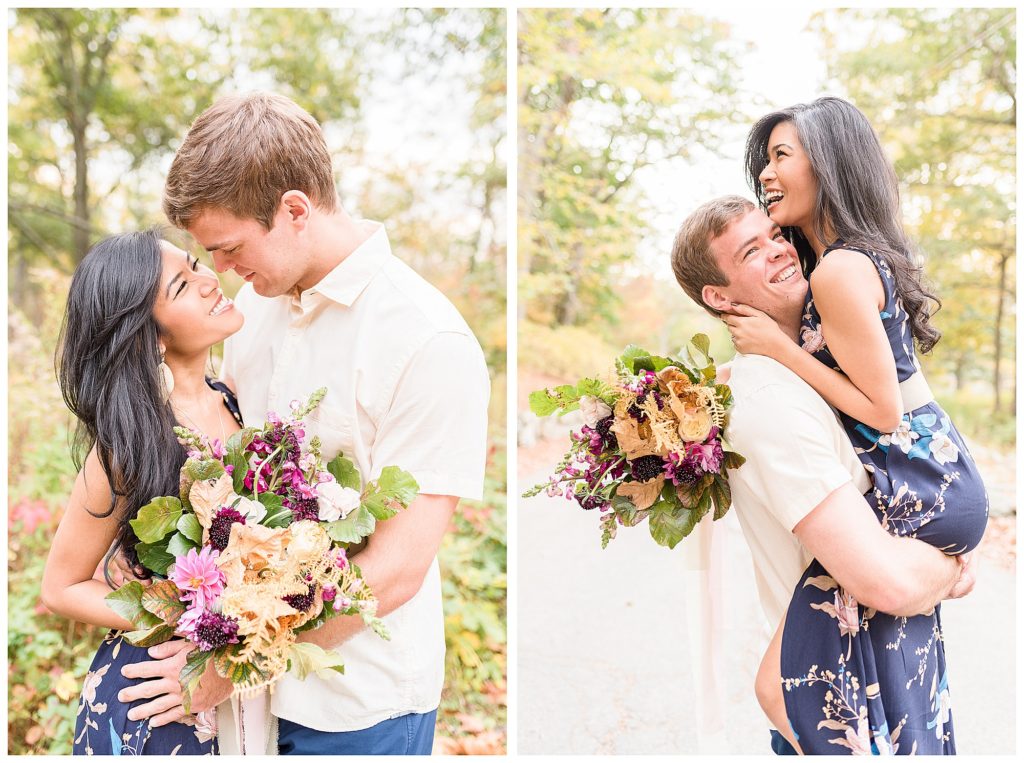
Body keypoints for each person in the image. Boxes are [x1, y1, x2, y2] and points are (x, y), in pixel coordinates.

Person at [118, 91, 491, 755]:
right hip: (245, 709)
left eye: (229, 248)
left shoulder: (427, 340)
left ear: (294, 209)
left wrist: (229, 665)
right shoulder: (256, 307)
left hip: (358, 709)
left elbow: (398, 567)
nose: (223, 272)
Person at [725, 97, 990, 753]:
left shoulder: (842, 270)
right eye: (764, 161)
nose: (766, 173)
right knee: (862, 650)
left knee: (775, 684)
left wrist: (778, 350)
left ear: (831, 165)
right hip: (929, 476)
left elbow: (881, 410)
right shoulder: (840, 263)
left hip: (922, 482)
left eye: (781, 155)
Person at [670, 196, 978, 755]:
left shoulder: (816, 359)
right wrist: (949, 564)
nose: (779, 250)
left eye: (774, 234)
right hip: (847, 681)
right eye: (751, 251)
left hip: (883, 652)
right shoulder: (770, 403)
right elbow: (888, 582)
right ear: (719, 296)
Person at [41, 229, 245, 755]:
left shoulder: (237, 403)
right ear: (151, 335)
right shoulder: (126, 445)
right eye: (182, 286)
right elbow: (60, 587)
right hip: (150, 701)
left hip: (232, 689)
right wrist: (183, 613)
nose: (209, 281)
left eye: (198, 264)